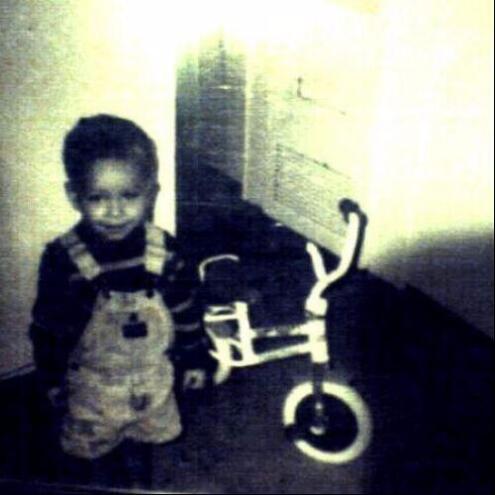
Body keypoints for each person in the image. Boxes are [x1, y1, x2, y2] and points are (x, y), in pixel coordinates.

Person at [29, 114, 209, 485]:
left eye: (129, 196)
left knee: (143, 444)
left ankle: (140, 482)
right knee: (97, 456)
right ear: (74, 196)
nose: (115, 210)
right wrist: (50, 378)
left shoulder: (165, 251)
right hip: (92, 389)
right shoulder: (64, 260)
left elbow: (186, 308)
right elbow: (49, 327)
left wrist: (194, 357)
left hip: (152, 379)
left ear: (151, 193)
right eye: (98, 198)